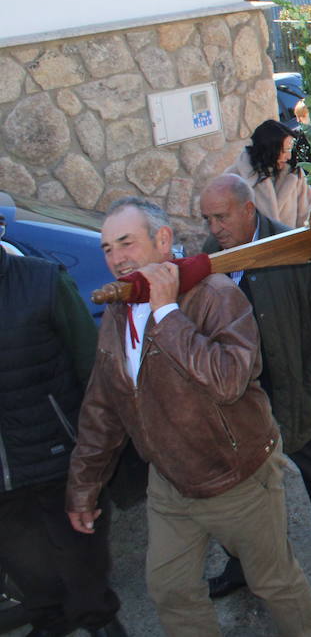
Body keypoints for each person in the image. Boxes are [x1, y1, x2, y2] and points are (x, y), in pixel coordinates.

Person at [67, 198, 311, 637]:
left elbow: (228, 381)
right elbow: (102, 407)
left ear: (163, 240)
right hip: (170, 483)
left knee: (273, 582)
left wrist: (167, 313)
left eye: (126, 243)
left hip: (238, 479)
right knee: (170, 591)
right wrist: (83, 484)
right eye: (108, 249)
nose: (116, 258)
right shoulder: (117, 312)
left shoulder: (216, 295)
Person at [198, 175, 311, 598]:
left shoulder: (297, 249)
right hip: (244, 396)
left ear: (248, 210)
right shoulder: (209, 258)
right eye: (207, 219)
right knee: (243, 487)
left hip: (299, 382)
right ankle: (244, 562)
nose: (214, 228)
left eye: (221, 217)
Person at [0, 247, 127, 637]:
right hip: (4, 485)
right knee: (32, 577)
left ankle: (101, 624)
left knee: (83, 570)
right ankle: (50, 624)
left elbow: (94, 373)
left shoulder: (43, 280)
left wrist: (92, 458)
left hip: (59, 460)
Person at [226, 119, 311, 229]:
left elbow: (307, 214)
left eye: (290, 150)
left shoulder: (294, 173)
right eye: (284, 151)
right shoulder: (234, 178)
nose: (289, 157)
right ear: (269, 150)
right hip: (258, 246)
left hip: (293, 243)